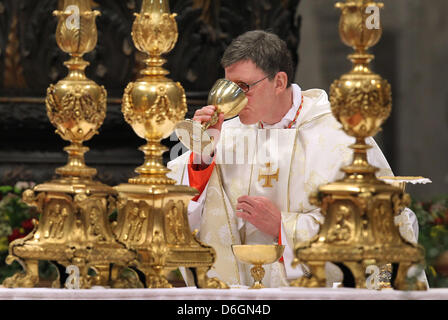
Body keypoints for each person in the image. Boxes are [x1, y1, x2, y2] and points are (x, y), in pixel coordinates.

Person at [167, 30, 423, 288]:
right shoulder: (227, 134)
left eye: (244, 87)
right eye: (228, 86)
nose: (233, 98)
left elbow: (375, 225)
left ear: (279, 82)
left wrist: (283, 226)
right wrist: (202, 153)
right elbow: (179, 216)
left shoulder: (341, 135)